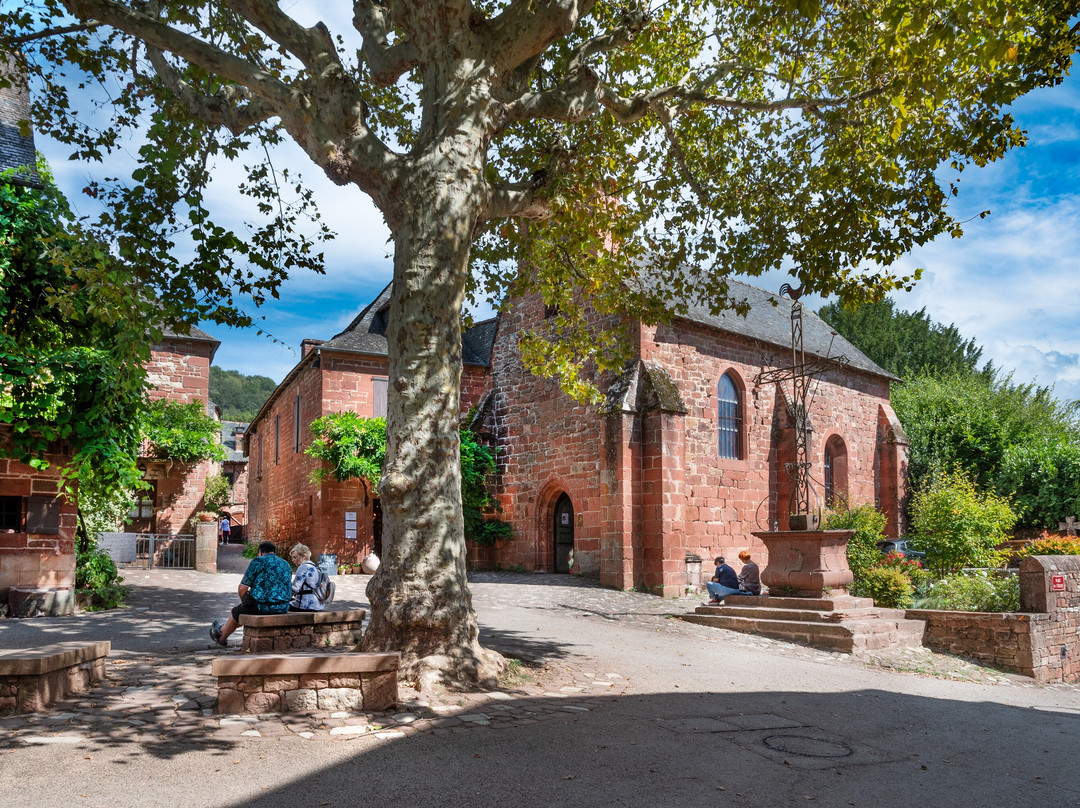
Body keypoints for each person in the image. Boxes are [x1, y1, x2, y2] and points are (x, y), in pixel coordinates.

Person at [210, 540, 291, 646]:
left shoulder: (258, 561)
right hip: (283, 606)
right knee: (243, 611)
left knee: (237, 612)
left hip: (263, 606)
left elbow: (243, 588)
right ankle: (221, 629)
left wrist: (244, 601)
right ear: (274, 552)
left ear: (260, 552)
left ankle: (222, 638)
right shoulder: (286, 564)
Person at [288, 543, 325, 612]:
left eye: (295, 557)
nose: (293, 560)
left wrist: (286, 598)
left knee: (282, 606)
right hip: (318, 605)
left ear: (304, 557)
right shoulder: (315, 567)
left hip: (305, 605)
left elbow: (295, 588)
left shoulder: (303, 567)